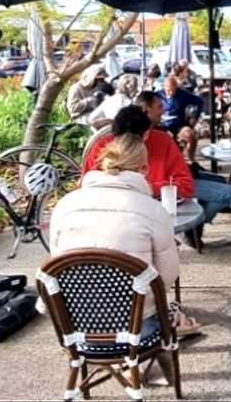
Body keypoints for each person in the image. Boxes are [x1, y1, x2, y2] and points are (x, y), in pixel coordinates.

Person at [55, 133, 200, 334]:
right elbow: (168, 275)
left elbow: (57, 262)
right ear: (144, 169)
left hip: (77, 324)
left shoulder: (65, 206)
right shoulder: (153, 210)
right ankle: (154, 342)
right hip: (136, 322)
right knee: (161, 313)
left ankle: (113, 361)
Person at [82, 103, 231, 228]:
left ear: (146, 134)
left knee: (227, 191)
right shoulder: (101, 146)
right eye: (122, 143)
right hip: (114, 215)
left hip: (158, 209)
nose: (127, 148)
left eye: (132, 143)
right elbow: (86, 189)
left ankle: (193, 228)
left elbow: (185, 184)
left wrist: (150, 188)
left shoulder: (162, 141)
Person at [158, 75, 204, 162]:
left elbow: (199, 102)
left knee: (190, 135)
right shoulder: (158, 95)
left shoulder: (182, 94)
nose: (171, 92)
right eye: (168, 90)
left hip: (179, 124)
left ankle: (191, 159)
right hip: (163, 125)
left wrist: (194, 116)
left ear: (176, 86)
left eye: (173, 89)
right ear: (164, 87)